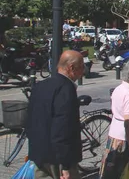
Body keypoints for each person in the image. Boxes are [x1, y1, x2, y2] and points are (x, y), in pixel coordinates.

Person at [26, 50, 85, 179]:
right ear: (71, 68)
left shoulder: (41, 85)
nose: (84, 71)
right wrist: (66, 166)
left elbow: (30, 120)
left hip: (39, 155)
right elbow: (63, 129)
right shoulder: (66, 89)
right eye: (82, 66)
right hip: (57, 159)